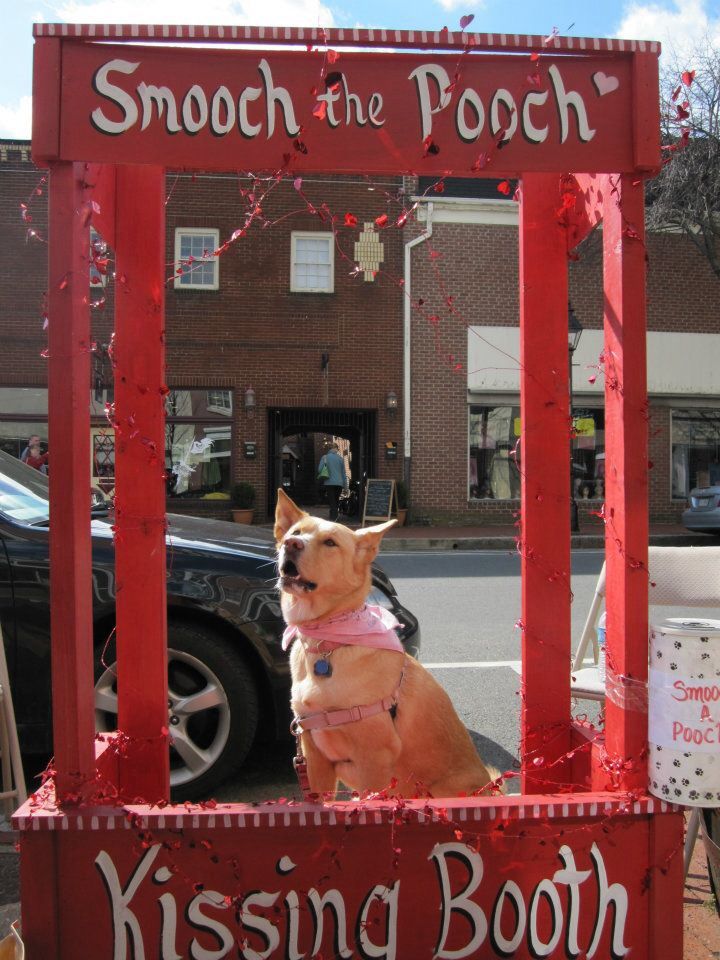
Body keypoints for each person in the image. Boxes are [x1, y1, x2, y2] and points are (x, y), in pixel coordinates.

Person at [317, 442, 347, 522]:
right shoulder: (340, 459)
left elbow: (319, 470)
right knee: (336, 500)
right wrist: (346, 487)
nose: (338, 450)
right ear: (335, 449)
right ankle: (334, 515)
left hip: (329, 482)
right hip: (339, 483)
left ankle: (333, 517)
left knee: (332, 500)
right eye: (337, 449)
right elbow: (344, 473)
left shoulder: (325, 457)